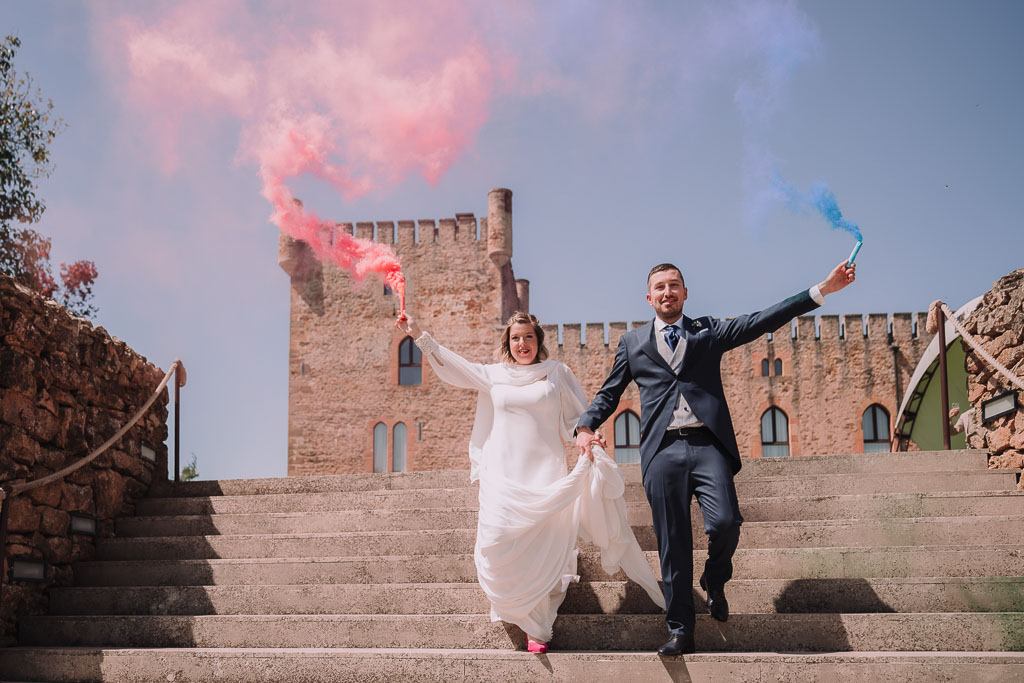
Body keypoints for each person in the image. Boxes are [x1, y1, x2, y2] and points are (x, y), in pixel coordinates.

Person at [575, 260, 856, 656]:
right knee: (673, 544)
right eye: (660, 287)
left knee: (725, 522)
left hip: (708, 445)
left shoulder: (707, 331)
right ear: (649, 296)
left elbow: (762, 320)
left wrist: (821, 289)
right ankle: (679, 629)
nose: (667, 292)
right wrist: (586, 425)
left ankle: (714, 578)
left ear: (685, 294)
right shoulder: (633, 343)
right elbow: (609, 392)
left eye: (674, 286)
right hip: (661, 451)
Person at [395, 311, 665, 653]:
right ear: (508, 344)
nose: (522, 344)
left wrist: (588, 435)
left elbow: (576, 420)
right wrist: (418, 333)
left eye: (528, 337)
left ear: (539, 341)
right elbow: (452, 365)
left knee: (543, 544)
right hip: (503, 474)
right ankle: (513, 604)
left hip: (544, 472)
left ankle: (537, 626)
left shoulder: (556, 374)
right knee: (499, 539)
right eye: (515, 338)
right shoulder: (493, 376)